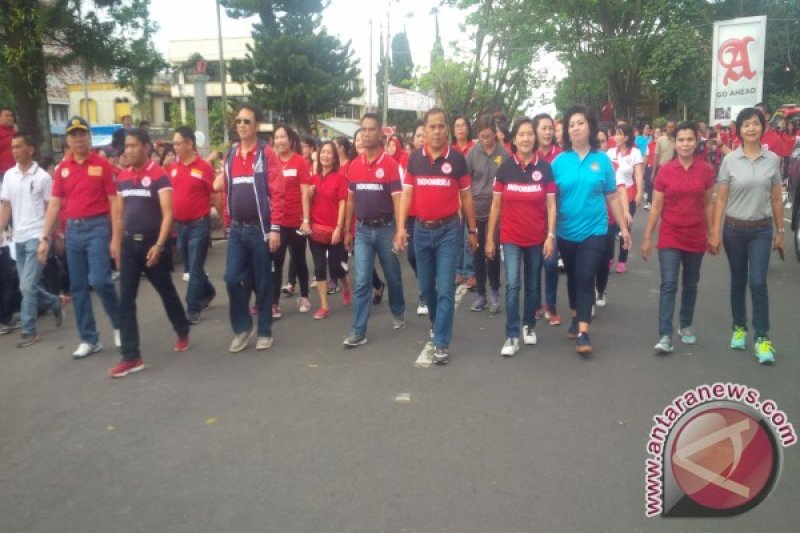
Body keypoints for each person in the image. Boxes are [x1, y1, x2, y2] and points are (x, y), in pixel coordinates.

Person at [396, 107, 478, 365]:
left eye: (441, 126)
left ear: (447, 129)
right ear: (425, 129)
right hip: (421, 230)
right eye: (432, 127)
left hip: (448, 231)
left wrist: (473, 230)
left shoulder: (456, 160)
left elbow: (466, 196)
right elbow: (407, 194)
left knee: (445, 288)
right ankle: (435, 320)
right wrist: (400, 228)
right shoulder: (415, 160)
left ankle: (441, 342)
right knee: (426, 287)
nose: (437, 131)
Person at [109, 129, 191, 378]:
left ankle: (181, 328)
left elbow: (168, 214)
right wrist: (115, 241)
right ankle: (131, 356)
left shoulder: (159, 176)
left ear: (146, 147)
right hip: (129, 247)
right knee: (125, 300)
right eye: (126, 146)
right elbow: (120, 214)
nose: (128, 150)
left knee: (166, 291)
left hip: (153, 245)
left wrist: (159, 245)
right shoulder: (122, 178)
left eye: (133, 145)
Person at [38, 116, 122, 358]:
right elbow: (54, 204)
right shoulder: (63, 169)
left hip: (97, 228)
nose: (78, 139)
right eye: (73, 135)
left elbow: (114, 203)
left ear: (89, 137)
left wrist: (115, 238)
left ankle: (119, 325)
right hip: (73, 230)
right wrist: (45, 238)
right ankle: (89, 338)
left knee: (101, 280)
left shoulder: (102, 165)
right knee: (78, 287)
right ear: (67, 139)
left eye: (82, 134)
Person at [551, 105, 630, 354]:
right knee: (573, 278)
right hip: (566, 232)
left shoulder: (602, 161)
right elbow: (551, 201)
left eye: (580, 123)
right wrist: (549, 232)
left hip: (595, 230)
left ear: (590, 127)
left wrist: (624, 229)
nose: (576, 127)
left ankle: (583, 332)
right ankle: (576, 317)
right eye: (571, 124)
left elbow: (613, 196)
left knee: (586, 277)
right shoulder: (558, 162)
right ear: (566, 130)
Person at [709, 107, 784, 364]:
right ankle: (739, 327)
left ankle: (762, 337)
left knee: (758, 282)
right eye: (746, 124)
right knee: (738, 280)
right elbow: (721, 199)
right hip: (734, 230)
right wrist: (715, 233)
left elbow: (776, 198)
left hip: (762, 229)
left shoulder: (773, 160)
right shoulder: (729, 161)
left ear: (763, 127)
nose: (751, 128)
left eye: (756, 123)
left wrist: (780, 232)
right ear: (738, 130)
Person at [215, 104, 285, 353]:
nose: (242, 125)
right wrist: (227, 221)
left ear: (256, 126)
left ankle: (265, 330)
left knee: (264, 282)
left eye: (247, 121)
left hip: (260, 231)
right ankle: (243, 328)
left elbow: (277, 193)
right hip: (237, 229)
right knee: (232, 279)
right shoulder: (231, 156)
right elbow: (227, 192)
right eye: (238, 121)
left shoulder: (266, 155)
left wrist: (275, 228)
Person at [641, 121, 714, 354]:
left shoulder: (705, 170)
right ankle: (665, 334)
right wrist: (646, 238)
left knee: (691, 283)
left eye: (689, 139)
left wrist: (713, 233)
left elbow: (708, 204)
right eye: (681, 140)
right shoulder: (665, 171)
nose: (685, 144)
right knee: (669, 284)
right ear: (676, 142)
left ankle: (685, 324)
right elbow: (656, 208)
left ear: (696, 141)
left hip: (696, 235)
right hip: (670, 235)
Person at [486, 117, 556, 356]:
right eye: (521, 134)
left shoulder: (544, 168)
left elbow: (551, 205)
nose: (526, 138)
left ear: (534, 138)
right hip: (511, 236)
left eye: (529, 134)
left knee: (533, 285)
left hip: (537, 237)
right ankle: (512, 334)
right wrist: (489, 238)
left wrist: (550, 235)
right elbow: (496, 206)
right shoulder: (504, 168)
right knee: (513, 284)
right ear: (514, 139)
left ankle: (529, 324)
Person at [342, 113, 405, 347]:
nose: (367, 134)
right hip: (362, 232)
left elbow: (399, 200)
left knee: (393, 276)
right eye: (363, 129)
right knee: (361, 281)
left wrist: (400, 230)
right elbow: (350, 200)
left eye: (371, 129)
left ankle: (398, 311)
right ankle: (358, 330)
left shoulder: (391, 166)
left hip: (386, 230)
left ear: (380, 134)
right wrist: (348, 230)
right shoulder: (354, 166)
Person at [0, 133, 63, 347]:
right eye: (13, 147)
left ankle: (29, 330)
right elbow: (6, 206)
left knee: (27, 285)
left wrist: (54, 235)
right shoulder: (9, 175)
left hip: (38, 236)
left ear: (31, 149)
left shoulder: (43, 177)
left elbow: (50, 208)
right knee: (28, 285)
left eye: (19, 146)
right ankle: (54, 301)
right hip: (18, 238)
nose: (15, 150)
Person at [168, 126, 217, 324]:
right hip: (180, 225)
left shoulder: (203, 167)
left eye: (178, 143)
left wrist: (222, 216)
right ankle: (208, 291)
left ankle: (192, 307)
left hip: (199, 224)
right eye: (174, 144)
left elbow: (214, 193)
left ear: (189, 143)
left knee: (195, 266)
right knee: (189, 267)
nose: (175, 147)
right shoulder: (172, 168)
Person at [466, 114, 508, 313]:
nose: (485, 140)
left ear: (495, 133)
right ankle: (480, 294)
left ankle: (494, 292)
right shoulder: (472, 154)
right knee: (476, 253)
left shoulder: (504, 154)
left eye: (489, 136)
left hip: (496, 211)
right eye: (482, 137)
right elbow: (465, 182)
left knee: (491, 253)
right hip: (475, 209)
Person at [271, 124, 312, 317]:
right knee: (276, 261)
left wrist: (306, 219)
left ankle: (304, 296)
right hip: (277, 223)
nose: (279, 141)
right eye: (276, 137)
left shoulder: (300, 162)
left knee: (299, 259)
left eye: (283, 137)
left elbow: (305, 192)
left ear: (290, 140)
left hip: (296, 221)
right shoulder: (271, 162)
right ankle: (273, 303)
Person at [307, 141, 348, 319]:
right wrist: (308, 194)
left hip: (333, 231)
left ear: (334, 157)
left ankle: (345, 284)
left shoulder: (340, 178)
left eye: (329, 153)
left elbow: (342, 203)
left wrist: (339, 228)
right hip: (315, 230)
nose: (325, 155)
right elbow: (306, 203)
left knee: (335, 268)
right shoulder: (313, 179)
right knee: (319, 268)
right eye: (322, 152)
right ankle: (324, 305)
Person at [532, 113, 563, 325]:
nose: (548, 132)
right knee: (533, 264)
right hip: (531, 218)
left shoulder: (561, 156)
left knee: (550, 263)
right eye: (543, 128)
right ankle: (534, 304)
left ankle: (550, 306)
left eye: (550, 128)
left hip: (554, 218)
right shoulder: (528, 155)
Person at [607, 123, 644, 273]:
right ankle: (609, 257)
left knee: (624, 227)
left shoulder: (635, 152)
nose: (615, 136)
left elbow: (638, 174)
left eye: (619, 133)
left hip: (629, 194)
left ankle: (622, 260)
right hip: (613, 195)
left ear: (626, 137)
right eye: (615, 133)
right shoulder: (610, 152)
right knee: (610, 228)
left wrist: (640, 192)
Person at [0, 107, 15, 176]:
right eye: (7, 115)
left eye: (11, 115)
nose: (10, 118)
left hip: (15, 170)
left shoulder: (14, 132)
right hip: (2, 172)